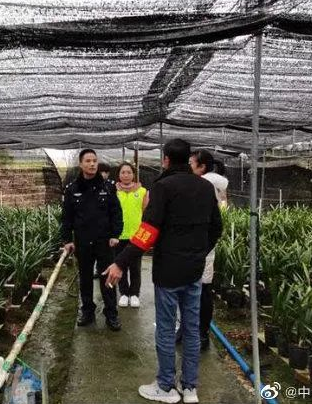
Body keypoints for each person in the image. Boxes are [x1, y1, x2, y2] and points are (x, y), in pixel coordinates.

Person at [103, 139, 222, 403]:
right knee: (192, 328)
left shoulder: (163, 187)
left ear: (166, 159)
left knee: (166, 329)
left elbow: (148, 230)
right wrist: (199, 252)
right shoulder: (205, 187)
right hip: (194, 270)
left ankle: (166, 386)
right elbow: (216, 228)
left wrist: (121, 262)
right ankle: (189, 387)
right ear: (187, 160)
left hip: (168, 270)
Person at [61, 149, 123, 331]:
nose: (92, 164)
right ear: (81, 164)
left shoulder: (107, 187)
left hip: (104, 242)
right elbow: (67, 217)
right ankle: (87, 311)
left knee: (108, 278)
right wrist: (67, 239)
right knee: (85, 278)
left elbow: (116, 212)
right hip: (83, 242)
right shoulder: (72, 189)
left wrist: (115, 235)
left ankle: (111, 313)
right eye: (88, 161)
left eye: (94, 160)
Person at [174, 150, 228, 350]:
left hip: (200, 245)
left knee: (199, 290)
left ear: (202, 167)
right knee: (200, 289)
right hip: (202, 245)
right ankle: (197, 332)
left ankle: (198, 333)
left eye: (191, 163)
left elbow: (213, 221)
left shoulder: (204, 185)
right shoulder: (214, 184)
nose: (188, 166)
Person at [115, 162, 149, 308]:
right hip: (119, 235)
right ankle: (123, 293)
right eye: (123, 172)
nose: (126, 175)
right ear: (119, 175)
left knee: (135, 266)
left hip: (137, 236)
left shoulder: (142, 191)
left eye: (129, 172)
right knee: (120, 265)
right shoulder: (114, 191)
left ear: (134, 174)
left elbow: (146, 213)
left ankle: (134, 294)